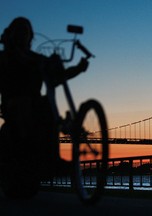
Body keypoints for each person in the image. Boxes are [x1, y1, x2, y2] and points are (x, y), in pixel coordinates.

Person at [0, 17, 89, 198]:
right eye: (19, 31)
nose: (23, 35)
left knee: (47, 106)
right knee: (25, 103)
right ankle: (25, 155)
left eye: (26, 32)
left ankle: (51, 160)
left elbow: (57, 77)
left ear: (30, 37)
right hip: (13, 104)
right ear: (12, 35)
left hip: (35, 104)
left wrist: (78, 68)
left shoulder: (36, 58)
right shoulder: (5, 56)